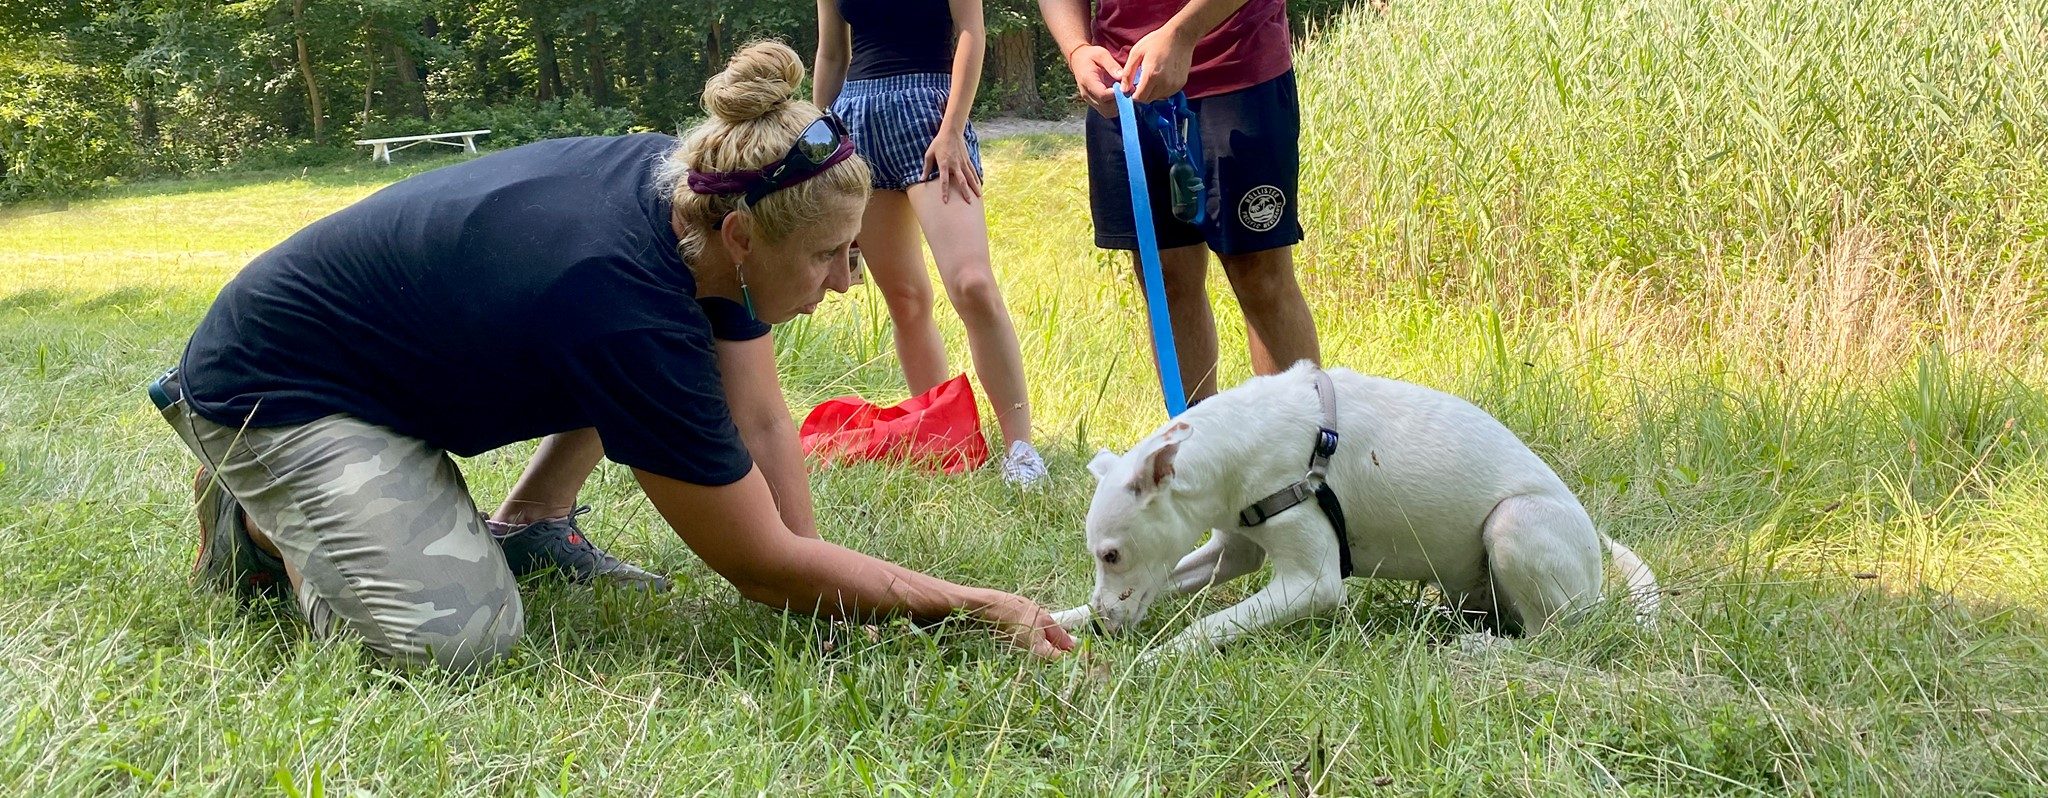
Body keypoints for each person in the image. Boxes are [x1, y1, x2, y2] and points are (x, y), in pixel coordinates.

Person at [149, 41, 1073, 672]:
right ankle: (262, 517)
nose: (846, 282)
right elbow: (756, 566)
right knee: (453, 640)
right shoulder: (623, 305)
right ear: (746, 236)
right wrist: (973, 606)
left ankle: (530, 525)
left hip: (377, 367)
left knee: (644, 373)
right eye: (833, 256)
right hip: (278, 388)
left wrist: (820, 581)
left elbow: (758, 421)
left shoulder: (700, 203)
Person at [813, 0, 1048, 486]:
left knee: (972, 283)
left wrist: (953, 129)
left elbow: (971, 32)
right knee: (904, 299)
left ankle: (1022, 450)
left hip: (932, 112)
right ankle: (945, 437)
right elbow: (833, 55)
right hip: (857, 122)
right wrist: (823, 150)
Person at [1038, 0, 1321, 404]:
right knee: (1165, 277)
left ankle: (1303, 455)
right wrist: (1077, 50)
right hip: (1125, 88)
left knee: (1260, 277)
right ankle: (1197, 452)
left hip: (1236, 71)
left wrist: (1183, 33)